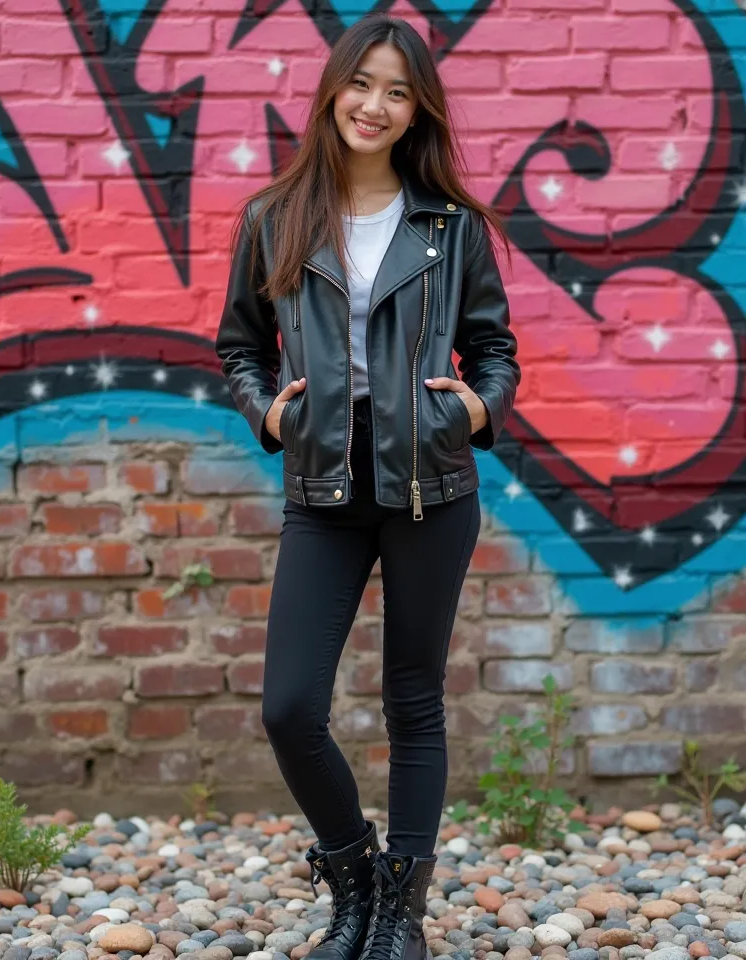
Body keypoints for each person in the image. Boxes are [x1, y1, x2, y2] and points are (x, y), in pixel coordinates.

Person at [215, 14, 520, 960]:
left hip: (432, 485)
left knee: (411, 698)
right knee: (290, 708)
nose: (375, 106)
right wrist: (267, 412)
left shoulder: (450, 226)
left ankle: (402, 915)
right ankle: (352, 872)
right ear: (332, 91)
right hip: (322, 490)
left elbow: (498, 349)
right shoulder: (276, 216)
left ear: (416, 107)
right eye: (362, 85)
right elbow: (237, 346)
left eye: (397, 90)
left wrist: (473, 408)